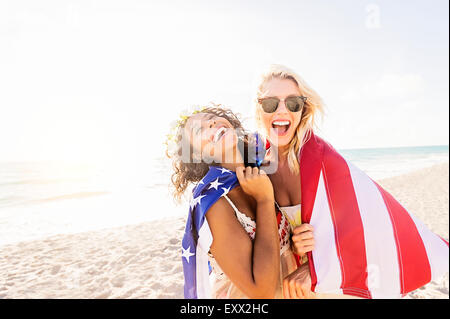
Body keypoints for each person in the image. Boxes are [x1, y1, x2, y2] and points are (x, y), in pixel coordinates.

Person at [167, 106, 311, 298]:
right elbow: (262, 292)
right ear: (196, 155)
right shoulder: (215, 203)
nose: (212, 123)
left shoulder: (264, 171)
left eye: (212, 118)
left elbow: (279, 246)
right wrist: (264, 199)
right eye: (200, 130)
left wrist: (298, 244)